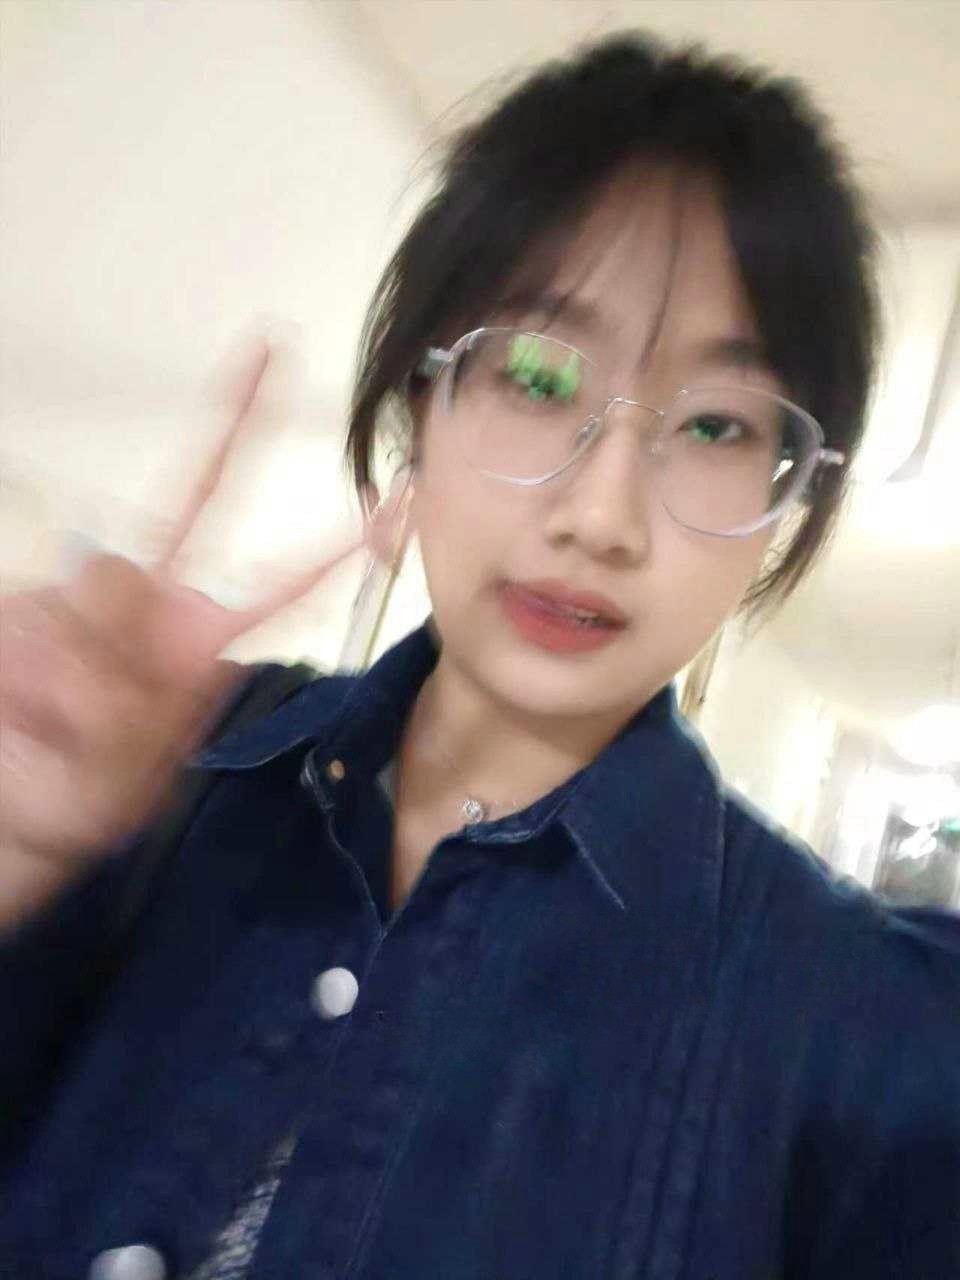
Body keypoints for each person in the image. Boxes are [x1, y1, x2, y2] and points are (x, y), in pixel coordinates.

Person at [1, 31, 957, 1280]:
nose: (601, 517)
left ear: (790, 497)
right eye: (540, 376)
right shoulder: (160, 768)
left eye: (719, 425)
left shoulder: (857, 1029)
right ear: (421, 401)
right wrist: (24, 856)